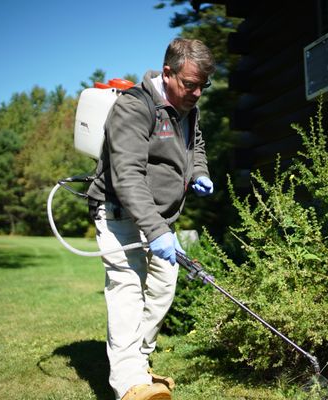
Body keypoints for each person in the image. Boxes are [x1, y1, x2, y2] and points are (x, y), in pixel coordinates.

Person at [87, 38, 215, 400]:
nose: (197, 92)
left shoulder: (188, 105)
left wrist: (199, 172)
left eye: (203, 85)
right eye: (190, 84)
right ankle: (129, 384)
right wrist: (157, 230)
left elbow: (196, 144)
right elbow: (127, 175)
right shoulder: (134, 107)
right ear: (167, 72)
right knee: (127, 289)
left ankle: (140, 366)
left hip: (160, 218)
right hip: (119, 212)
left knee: (162, 288)